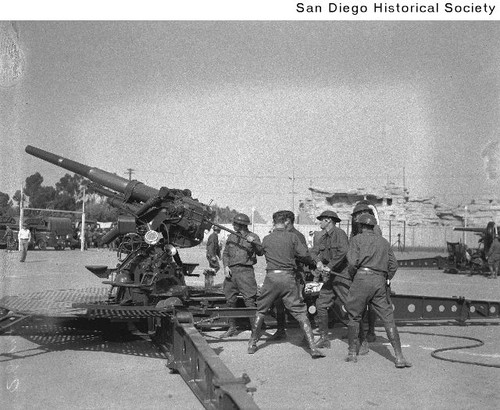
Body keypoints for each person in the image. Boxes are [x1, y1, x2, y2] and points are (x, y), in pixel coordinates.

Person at [247, 210, 325, 359]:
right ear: (285, 222)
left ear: (274, 222)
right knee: (300, 311)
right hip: (288, 278)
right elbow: (304, 255)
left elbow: (260, 252)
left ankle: (252, 343)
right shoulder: (293, 237)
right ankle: (313, 347)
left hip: (271, 278)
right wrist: (316, 263)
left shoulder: (267, 238)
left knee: (261, 310)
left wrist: (253, 242)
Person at [345, 214, 411, 368]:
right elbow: (393, 265)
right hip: (380, 281)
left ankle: (352, 354)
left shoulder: (356, 240)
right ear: (374, 226)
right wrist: (386, 278)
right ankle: (399, 357)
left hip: (361, 279)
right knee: (388, 318)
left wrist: (355, 276)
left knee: (354, 316)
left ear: (361, 226)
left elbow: (352, 263)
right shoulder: (384, 242)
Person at [310, 210, 353, 350]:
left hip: (341, 275)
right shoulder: (323, 237)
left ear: (328, 220)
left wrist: (330, 266)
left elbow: (344, 251)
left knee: (351, 306)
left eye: (321, 220)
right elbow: (313, 251)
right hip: (330, 276)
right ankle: (324, 338)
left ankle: (359, 339)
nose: (320, 222)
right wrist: (318, 261)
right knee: (321, 304)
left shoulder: (339, 234)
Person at [269, 210, 308, 341]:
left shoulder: (298, 236)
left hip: (295, 275)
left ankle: (305, 336)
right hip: (283, 275)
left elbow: (304, 256)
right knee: (279, 304)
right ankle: (281, 330)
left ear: (287, 221)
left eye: (280, 221)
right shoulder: (282, 235)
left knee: (298, 305)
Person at [220, 213, 261, 338]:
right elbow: (226, 253)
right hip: (232, 272)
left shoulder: (253, 236)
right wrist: (226, 266)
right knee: (230, 300)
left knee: (249, 301)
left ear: (241, 225)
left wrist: (253, 243)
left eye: (235, 223)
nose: (233, 225)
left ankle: (255, 331)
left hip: (246, 272)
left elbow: (261, 252)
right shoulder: (231, 237)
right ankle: (232, 328)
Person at [351, 200, 382, 343]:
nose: (355, 218)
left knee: (371, 304)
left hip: (373, 270)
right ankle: (359, 332)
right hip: (361, 270)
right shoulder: (357, 229)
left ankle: (371, 331)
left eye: (357, 214)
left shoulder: (373, 228)